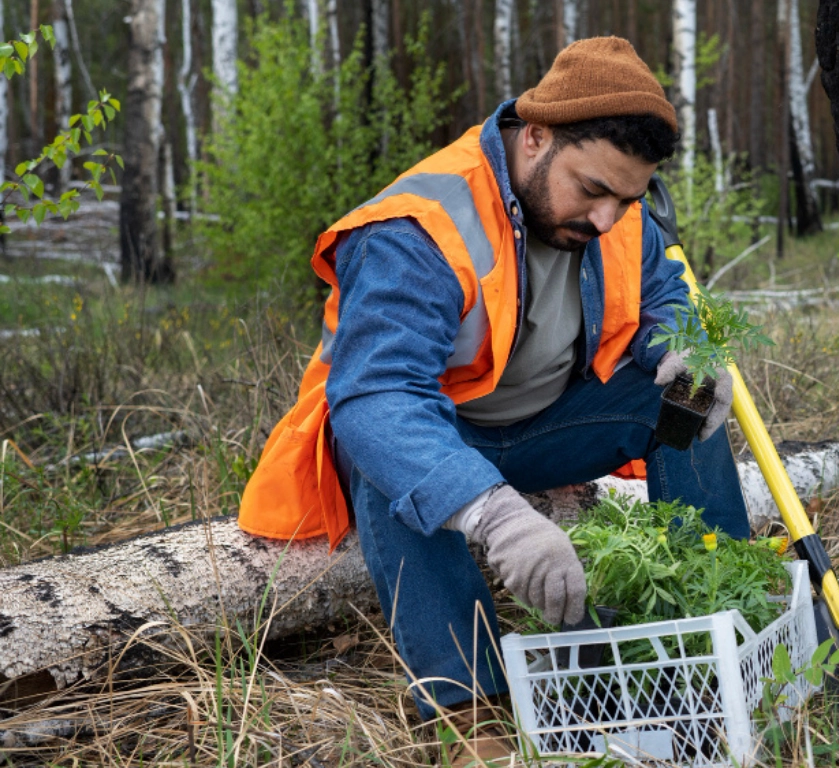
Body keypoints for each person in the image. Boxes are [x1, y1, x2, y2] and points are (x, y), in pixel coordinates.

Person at [234, 37, 749, 760]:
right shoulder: (419, 225)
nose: (606, 218)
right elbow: (378, 397)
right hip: (440, 434)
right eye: (592, 191)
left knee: (683, 408)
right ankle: (467, 709)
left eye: (625, 200)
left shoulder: (616, 204)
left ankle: (718, 630)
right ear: (535, 136)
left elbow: (660, 291)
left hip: (543, 427)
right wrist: (496, 514)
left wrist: (683, 349)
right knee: (393, 465)